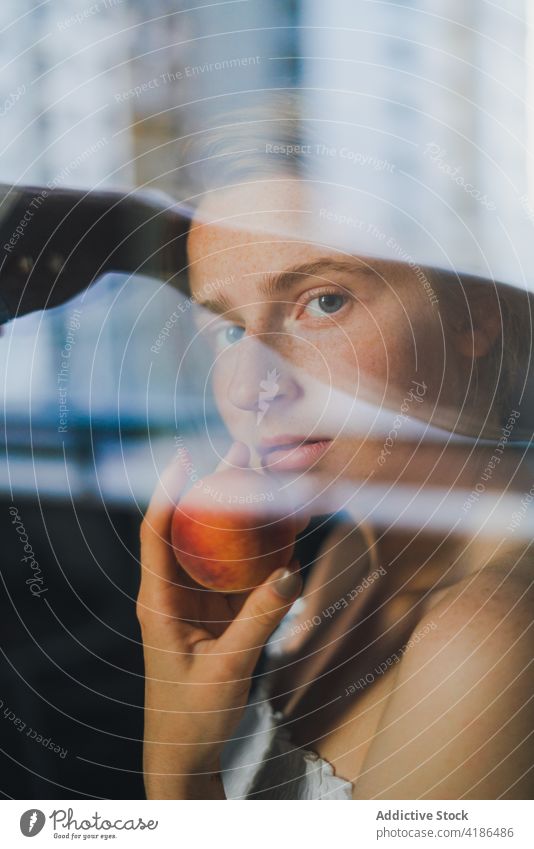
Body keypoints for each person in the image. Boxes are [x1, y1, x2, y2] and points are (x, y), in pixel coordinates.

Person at [137, 102, 534, 799]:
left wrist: (177, 770)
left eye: (323, 302)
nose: (253, 386)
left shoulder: (484, 643)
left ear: (475, 313)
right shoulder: (352, 549)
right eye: (229, 331)